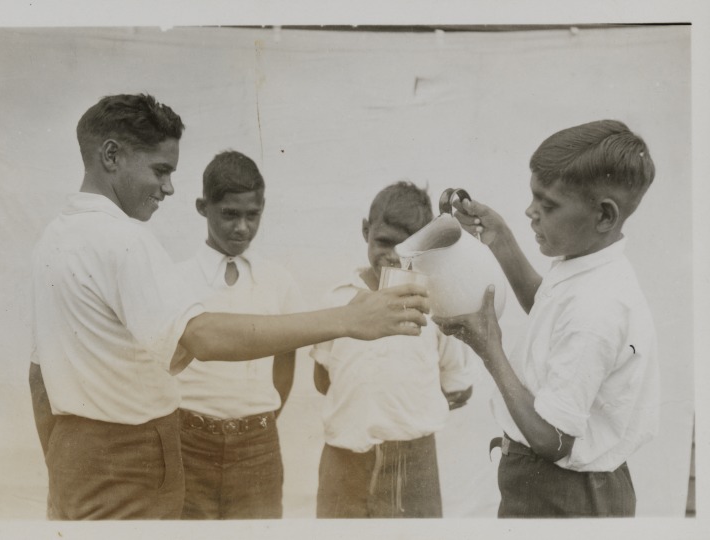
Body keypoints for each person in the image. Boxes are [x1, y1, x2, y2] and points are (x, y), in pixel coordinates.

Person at [28, 93, 430, 520]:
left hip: (77, 458)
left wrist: (66, 461)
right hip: (129, 459)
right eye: (160, 170)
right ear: (111, 156)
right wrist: (348, 318)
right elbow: (202, 336)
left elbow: (39, 376)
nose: (168, 187)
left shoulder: (54, 237)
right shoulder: (123, 239)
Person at [434, 120, 660, 518]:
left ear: (604, 216)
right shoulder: (587, 266)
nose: (530, 211)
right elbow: (548, 307)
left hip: (566, 495)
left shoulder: (597, 308)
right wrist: (500, 238)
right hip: (556, 484)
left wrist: (491, 350)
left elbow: (554, 441)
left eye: (548, 205)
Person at [312, 181, 476, 518]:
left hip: (414, 463)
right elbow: (323, 379)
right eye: (384, 242)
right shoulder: (338, 298)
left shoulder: (438, 304)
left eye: (408, 247)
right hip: (344, 460)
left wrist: (407, 411)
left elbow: (458, 387)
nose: (393, 256)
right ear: (366, 231)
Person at [175, 150, 300, 519]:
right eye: (229, 214)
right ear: (203, 207)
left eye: (252, 215)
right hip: (187, 445)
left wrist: (256, 422)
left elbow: (286, 361)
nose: (242, 227)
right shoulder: (175, 279)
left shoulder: (277, 281)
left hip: (257, 449)